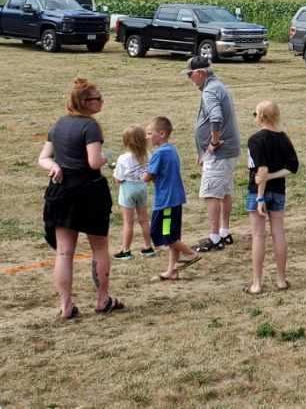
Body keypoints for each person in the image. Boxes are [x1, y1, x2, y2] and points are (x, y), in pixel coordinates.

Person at [37, 78, 120, 319]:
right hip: (89, 191)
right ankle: (103, 299)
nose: (101, 102)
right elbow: (94, 162)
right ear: (85, 102)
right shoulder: (90, 126)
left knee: (64, 252)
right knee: (100, 247)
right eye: (98, 98)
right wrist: (106, 158)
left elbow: (43, 158)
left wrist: (53, 166)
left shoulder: (59, 124)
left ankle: (66, 305)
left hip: (61, 191)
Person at [185, 56, 240, 253]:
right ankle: (224, 232)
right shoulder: (218, 86)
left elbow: (216, 118)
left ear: (200, 73)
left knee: (211, 193)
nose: (190, 79)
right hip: (229, 151)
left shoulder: (210, 91)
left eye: (190, 75)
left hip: (219, 153)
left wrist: (212, 144)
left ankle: (214, 237)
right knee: (224, 191)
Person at [245, 100, 298, 295]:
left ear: (261, 116)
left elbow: (262, 170)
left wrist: (260, 197)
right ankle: (281, 279)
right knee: (278, 233)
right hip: (278, 192)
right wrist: (273, 176)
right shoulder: (283, 137)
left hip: (258, 191)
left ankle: (257, 283)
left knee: (258, 235)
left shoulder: (256, 140)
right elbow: (293, 167)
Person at [146, 116, 199, 282]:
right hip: (174, 199)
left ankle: (190, 254)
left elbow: (148, 177)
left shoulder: (158, 154)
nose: (147, 137)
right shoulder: (171, 149)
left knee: (163, 234)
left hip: (166, 201)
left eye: (149, 133)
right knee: (173, 235)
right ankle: (172, 271)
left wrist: (135, 175)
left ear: (161, 134)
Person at [112, 125, 155, 260]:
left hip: (128, 190)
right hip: (141, 188)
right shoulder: (148, 154)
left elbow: (119, 179)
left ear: (126, 142)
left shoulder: (123, 158)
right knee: (144, 220)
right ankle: (148, 247)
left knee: (128, 222)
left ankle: (126, 250)